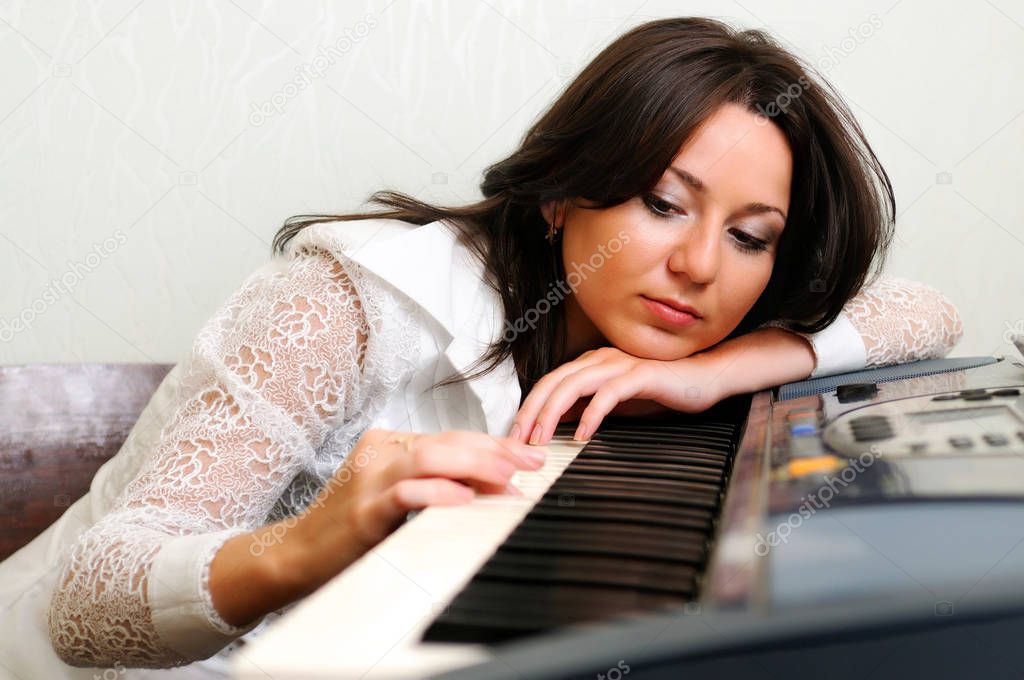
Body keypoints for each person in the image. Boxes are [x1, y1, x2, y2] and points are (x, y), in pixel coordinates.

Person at [0, 16, 962, 679]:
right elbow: (86, 608)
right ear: (561, 194)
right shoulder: (350, 298)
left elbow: (929, 313)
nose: (702, 265)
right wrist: (307, 545)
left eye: (752, 236)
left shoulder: (685, 330)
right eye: (663, 204)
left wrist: (717, 369)